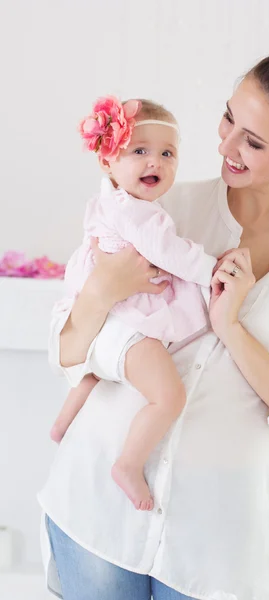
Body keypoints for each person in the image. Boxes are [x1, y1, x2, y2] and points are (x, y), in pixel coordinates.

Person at [38, 50, 269, 600]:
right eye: (228, 119)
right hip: (97, 506)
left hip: (212, 542)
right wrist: (102, 291)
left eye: (254, 140)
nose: (225, 145)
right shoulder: (159, 206)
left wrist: (233, 330)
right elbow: (66, 347)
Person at [49, 96, 216, 511]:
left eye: (167, 154)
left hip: (108, 317)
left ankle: (62, 422)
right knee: (169, 397)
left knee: (93, 370)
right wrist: (214, 270)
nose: (154, 162)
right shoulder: (140, 216)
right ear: (107, 161)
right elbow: (173, 253)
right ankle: (128, 463)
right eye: (139, 151)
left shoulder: (109, 201)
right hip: (125, 319)